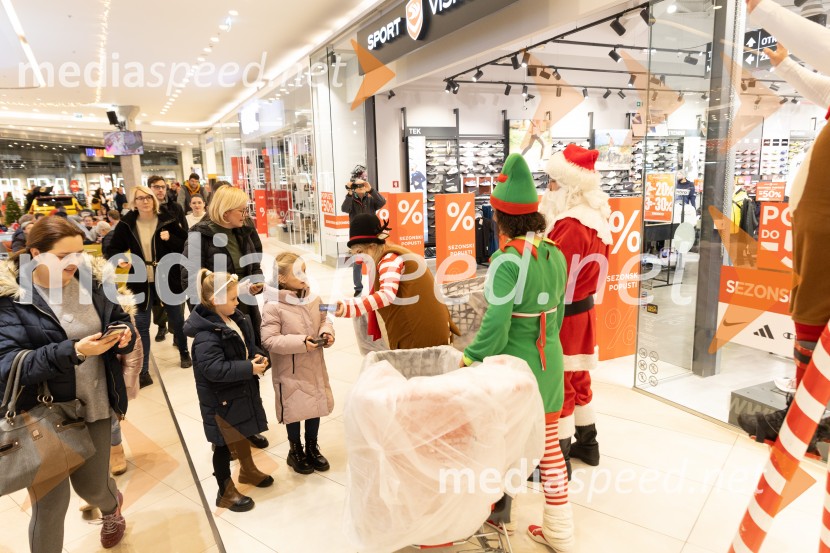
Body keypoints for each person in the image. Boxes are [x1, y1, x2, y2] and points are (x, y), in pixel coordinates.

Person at [0, 216, 137, 551]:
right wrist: (72, 350)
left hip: (96, 401)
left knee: (93, 488)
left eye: (78, 253)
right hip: (44, 414)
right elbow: (7, 363)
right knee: (50, 505)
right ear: (35, 253)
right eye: (63, 256)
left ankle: (111, 508)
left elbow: (118, 319)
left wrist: (124, 335)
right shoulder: (12, 297)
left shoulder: (91, 280)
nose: (74, 262)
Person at [462, 153, 572, 551]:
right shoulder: (555, 254)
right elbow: (557, 317)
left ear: (500, 218)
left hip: (514, 370)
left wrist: (470, 357)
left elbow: (496, 325)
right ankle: (560, 531)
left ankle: (488, 513)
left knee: (498, 445)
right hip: (549, 362)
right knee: (550, 451)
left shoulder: (507, 263)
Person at [541, 143, 613, 478]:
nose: (548, 189)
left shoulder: (570, 224)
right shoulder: (596, 215)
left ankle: (559, 456)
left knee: (561, 381)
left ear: (568, 185)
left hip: (564, 313)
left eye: (553, 182)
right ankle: (589, 443)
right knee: (580, 377)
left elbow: (557, 276)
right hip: (583, 310)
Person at [183, 185, 269, 450]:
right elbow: (192, 280)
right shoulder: (199, 236)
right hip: (218, 315)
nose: (246, 213)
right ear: (225, 211)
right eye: (242, 209)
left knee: (248, 368)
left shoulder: (244, 229)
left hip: (244, 309)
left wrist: (256, 281)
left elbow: (255, 261)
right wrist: (210, 314)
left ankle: (248, 427)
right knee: (225, 378)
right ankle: (228, 438)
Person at [184, 269, 272, 512]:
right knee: (223, 444)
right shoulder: (205, 336)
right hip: (219, 400)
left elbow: (248, 345)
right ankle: (225, 490)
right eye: (233, 298)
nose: (237, 302)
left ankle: (248, 470)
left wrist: (257, 356)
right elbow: (213, 369)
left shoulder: (235, 319)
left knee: (241, 431)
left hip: (238, 392)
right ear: (216, 301)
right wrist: (248, 368)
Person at [104, 184, 192, 386]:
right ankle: (143, 370)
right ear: (134, 203)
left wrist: (170, 239)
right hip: (139, 279)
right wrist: (119, 260)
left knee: (177, 318)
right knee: (141, 324)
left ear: (154, 199)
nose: (145, 201)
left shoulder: (167, 219)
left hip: (167, 276)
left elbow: (185, 244)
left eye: (148, 197)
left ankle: (184, 352)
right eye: (140, 198)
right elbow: (113, 248)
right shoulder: (127, 224)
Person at [334, 214, 457, 349]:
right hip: (428, 327)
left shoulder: (389, 259)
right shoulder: (391, 253)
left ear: (372, 246)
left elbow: (387, 295)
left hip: (420, 334)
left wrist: (349, 306)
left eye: (359, 252)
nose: (357, 259)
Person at [261, 252, 335, 475]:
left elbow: (325, 318)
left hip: (313, 364)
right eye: (298, 272)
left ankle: (312, 447)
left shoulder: (315, 299)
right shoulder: (273, 306)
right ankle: (295, 450)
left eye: (305, 270)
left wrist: (326, 332)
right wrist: (302, 342)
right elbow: (269, 339)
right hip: (290, 369)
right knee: (294, 408)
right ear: (282, 278)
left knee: (314, 406)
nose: (304, 276)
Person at [148, 175, 187, 343]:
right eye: (156, 187)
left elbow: (185, 235)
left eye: (163, 187)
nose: (160, 190)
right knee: (157, 300)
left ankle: (177, 333)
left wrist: (171, 238)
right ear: (149, 188)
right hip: (152, 262)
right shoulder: (144, 212)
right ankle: (161, 325)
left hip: (174, 259)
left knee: (177, 297)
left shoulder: (175, 208)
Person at [340, 167, 386, 296]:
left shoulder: (371, 199)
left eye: (362, 185)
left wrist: (371, 189)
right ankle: (358, 288)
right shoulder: (351, 200)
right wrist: (349, 193)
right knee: (357, 262)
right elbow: (344, 208)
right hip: (357, 236)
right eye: (357, 186)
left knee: (375, 259)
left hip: (372, 234)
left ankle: (376, 284)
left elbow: (382, 202)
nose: (360, 187)